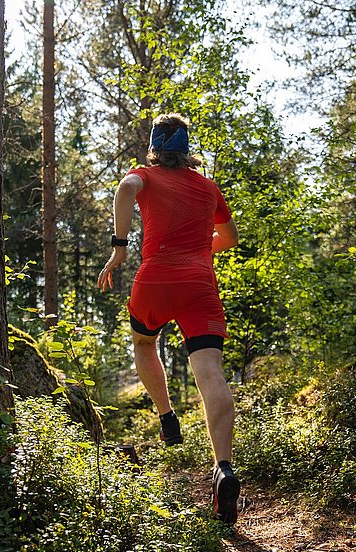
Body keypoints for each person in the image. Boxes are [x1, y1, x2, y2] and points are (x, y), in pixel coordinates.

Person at [97, 113, 242, 525]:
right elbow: (229, 238)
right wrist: (199, 252)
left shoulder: (144, 175)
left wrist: (119, 248)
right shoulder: (208, 187)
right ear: (186, 150)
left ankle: (166, 415)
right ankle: (224, 468)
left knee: (144, 343)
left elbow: (126, 188)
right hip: (200, 284)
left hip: (155, 279)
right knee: (211, 373)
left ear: (155, 147)